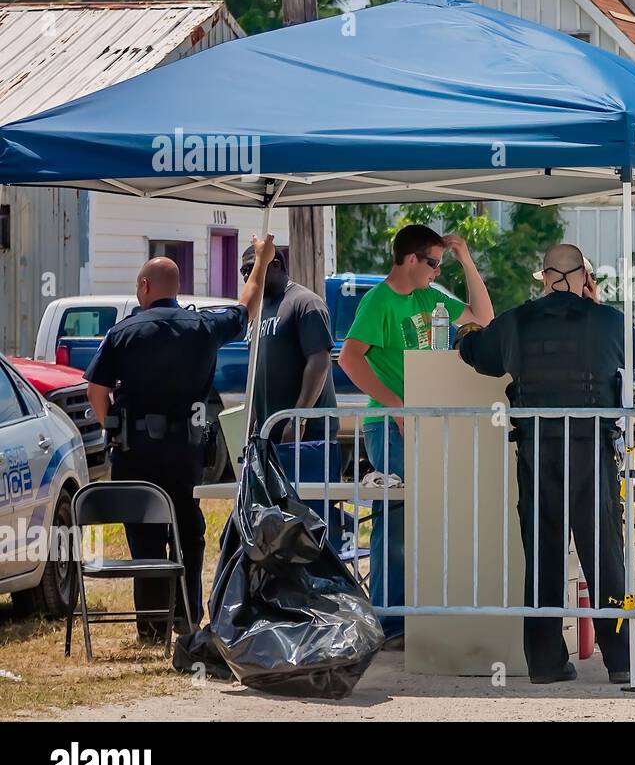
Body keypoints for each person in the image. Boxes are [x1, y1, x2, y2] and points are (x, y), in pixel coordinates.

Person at [458, 243, 635, 685]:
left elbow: (477, 356)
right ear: (585, 277)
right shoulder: (607, 322)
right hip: (591, 449)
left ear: (544, 276)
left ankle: (546, 662)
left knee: (543, 556)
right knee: (605, 555)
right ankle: (625, 660)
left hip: (537, 450)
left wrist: (466, 333)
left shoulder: (516, 322)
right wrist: (598, 304)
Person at [85, 235, 278, 639]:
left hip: (135, 451)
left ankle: (152, 625)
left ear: (144, 287)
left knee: (144, 533)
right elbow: (247, 305)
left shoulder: (122, 333)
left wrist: (110, 425)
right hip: (186, 451)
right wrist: (261, 260)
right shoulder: (203, 325)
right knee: (189, 533)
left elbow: (97, 390)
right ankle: (187, 618)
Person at [337, 224, 493, 642]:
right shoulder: (378, 301)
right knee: (397, 517)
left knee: (428, 517)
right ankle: (390, 622)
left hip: (425, 423)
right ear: (409, 260)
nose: (437, 272)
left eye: (441, 264)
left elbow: (483, 319)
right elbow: (349, 359)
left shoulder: (431, 298)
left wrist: (467, 261)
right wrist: (394, 404)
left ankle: (418, 614)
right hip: (387, 425)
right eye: (433, 263)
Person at [240, 243, 340, 541]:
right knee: (272, 531)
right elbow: (258, 374)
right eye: (245, 271)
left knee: (310, 527)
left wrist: (299, 417)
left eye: (254, 267)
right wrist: (252, 426)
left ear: (278, 265)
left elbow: (319, 360)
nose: (248, 276)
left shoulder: (305, 303)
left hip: (309, 439)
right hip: (269, 439)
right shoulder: (256, 312)